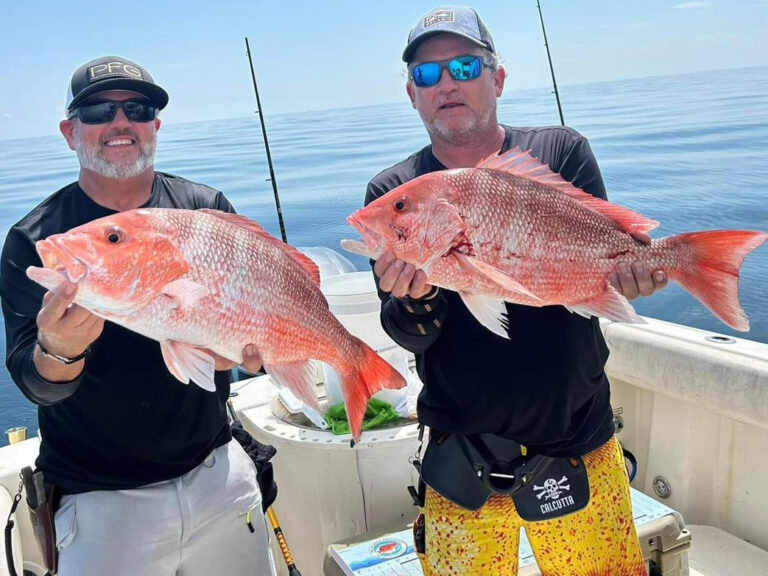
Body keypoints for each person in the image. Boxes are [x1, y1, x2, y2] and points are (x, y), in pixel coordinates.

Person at [365, 7, 668, 575]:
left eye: (463, 65)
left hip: (578, 440)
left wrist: (633, 275)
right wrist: (415, 299)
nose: (446, 83)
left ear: (497, 78)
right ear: (412, 94)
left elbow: (609, 249)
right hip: (460, 454)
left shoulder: (561, 152)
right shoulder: (393, 193)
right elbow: (408, 332)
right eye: (427, 75)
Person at [0, 56, 276, 576]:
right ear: (69, 132)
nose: (119, 121)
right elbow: (35, 382)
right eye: (99, 110)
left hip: (217, 471)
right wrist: (60, 348)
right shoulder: (39, 242)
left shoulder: (202, 207)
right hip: (101, 500)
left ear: (155, 126)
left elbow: (248, 328)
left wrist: (251, 355)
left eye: (137, 108)